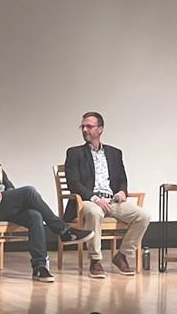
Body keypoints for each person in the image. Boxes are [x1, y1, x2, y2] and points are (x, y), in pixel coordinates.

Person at [0, 119, 95, 283]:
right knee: (29, 191)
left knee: (34, 216)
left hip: (3, 202)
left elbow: (2, 177)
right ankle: (64, 231)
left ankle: (39, 268)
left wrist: (10, 191)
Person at [64, 112, 150, 278]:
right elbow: (73, 184)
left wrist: (122, 191)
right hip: (88, 200)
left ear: (100, 129)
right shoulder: (74, 153)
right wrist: (96, 199)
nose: (85, 130)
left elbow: (122, 179)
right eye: (83, 126)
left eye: (89, 126)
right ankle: (95, 260)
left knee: (143, 216)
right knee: (95, 212)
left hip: (112, 201)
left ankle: (122, 255)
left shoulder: (114, 153)